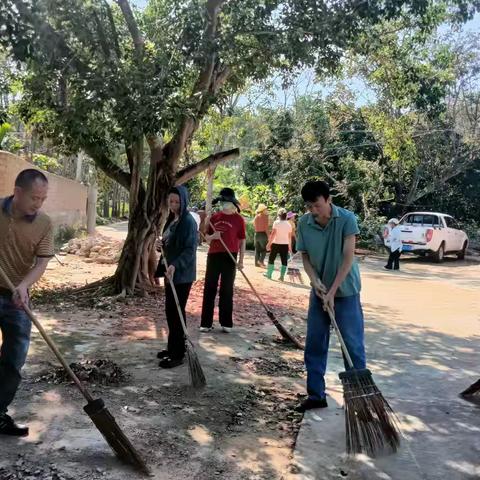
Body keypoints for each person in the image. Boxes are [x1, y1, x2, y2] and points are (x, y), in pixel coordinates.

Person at [295, 180, 366, 412]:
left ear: (328, 199)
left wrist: (333, 291)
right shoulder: (304, 223)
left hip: (345, 292)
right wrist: (314, 281)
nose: (313, 211)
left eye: (317, 205)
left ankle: (359, 399)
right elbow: (305, 257)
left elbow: (348, 258)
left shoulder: (347, 219)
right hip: (320, 293)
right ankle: (316, 395)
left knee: (352, 345)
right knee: (315, 344)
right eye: (309, 206)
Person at [0, 169, 54, 436]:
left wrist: (23, 285)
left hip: (16, 297)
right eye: (35, 198)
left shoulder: (44, 223)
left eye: (43, 199)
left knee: (14, 358)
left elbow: (42, 262)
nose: (39, 204)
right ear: (17, 192)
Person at [155, 186, 198, 368]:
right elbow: (169, 243)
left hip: (181, 274)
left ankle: (178, 354)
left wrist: (174, 265)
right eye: (171, 201)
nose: (173, 205)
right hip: (170, 272)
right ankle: (173, 346)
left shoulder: (188, 222)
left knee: (176, 313)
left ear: (184, 201)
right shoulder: (173, 219)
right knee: (171, 312)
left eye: (177, 202)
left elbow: (190, 250)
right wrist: (160, 246)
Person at [200, 188, 246, 333]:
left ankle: (226, 322)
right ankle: (206, 323)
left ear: (232, 202)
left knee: (227, 289)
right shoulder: (214, 218)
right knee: (210, 288)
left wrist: (241, 261)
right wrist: (213, 237)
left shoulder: (239, 219)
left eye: (227, 201)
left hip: (230, 256)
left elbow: (242, 240)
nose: (224, 204)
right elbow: (206, 238)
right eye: (222, 201)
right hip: (214, 255)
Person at [265, 208, 292, 281]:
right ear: (286, 216)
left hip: (276, 243)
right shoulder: (289, 224)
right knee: (284, 260)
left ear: (279, 215)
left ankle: (269, 274)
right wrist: (290, 247)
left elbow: (273, 234)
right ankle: (282, 277)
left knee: (271, 258)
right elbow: (289, 238)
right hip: (285, 245)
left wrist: (269, 244)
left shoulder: (276, 223)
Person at [253, 203, 269, 267]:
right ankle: (261, 261)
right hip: (263, 234)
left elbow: (254, 225)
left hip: (256, 234)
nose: (267, 210)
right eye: (266, 209)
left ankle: (256, 263)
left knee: (257, 250)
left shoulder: (256, 217)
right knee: (264, 250)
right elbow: (266, 228)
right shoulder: (265, 217)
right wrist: (269, 236)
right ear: (263, 210)